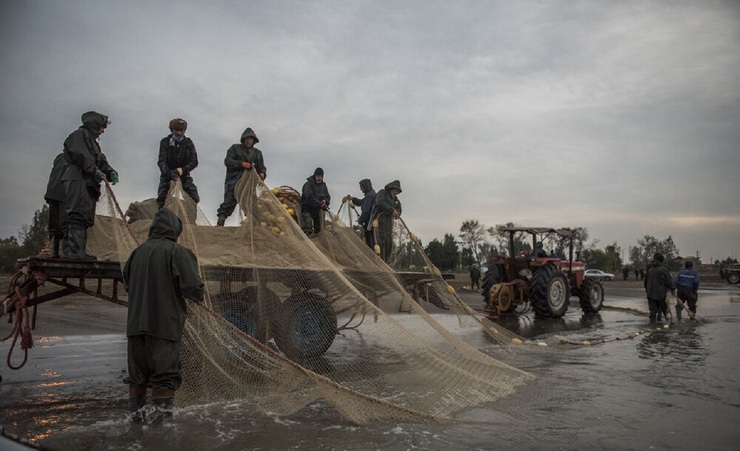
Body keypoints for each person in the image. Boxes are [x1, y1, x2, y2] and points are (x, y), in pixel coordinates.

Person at [123, 207, 204, 425]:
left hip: (135, 328)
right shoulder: (178, 252)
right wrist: (199, 295)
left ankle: (136, 425)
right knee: (164, 376)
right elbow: (192, 288)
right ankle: (161, 431)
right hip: (164, 326)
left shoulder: (136, 253)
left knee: (137, 377)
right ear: (175, 229)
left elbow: (127, 284)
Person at [61, 111, 118, 260]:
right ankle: (75, 252)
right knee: (77, 215)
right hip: (77, 179)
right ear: (95, 125)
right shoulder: (78, 135)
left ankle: (79, 251)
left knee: (85, 216)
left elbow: (99, 159)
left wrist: (109, 170)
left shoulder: (93, 143)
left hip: (87, 182)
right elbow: (82, 157)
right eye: (102, 127)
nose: (103, 131)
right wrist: (95, 171)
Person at [216, 127, 266, 226]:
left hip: (248, 184)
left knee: (251, 205)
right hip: (233, 181)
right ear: (243, 139)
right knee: (228, 202)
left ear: (254, 141)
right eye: (247, 139)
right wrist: (242, 164)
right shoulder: (234, 148)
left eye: (251, 139)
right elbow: (228, 161)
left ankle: (255, 226)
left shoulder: (257, 153)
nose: (249, 141)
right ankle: (220, 223)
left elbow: (261, 167)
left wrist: (262, 174)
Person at [156, 118, 199, 209]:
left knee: (194, 196)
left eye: (181, 130)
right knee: (162, 198)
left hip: (184, 175)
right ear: (172, 130)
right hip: (167, 175)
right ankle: (161, 219)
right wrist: (169, 173)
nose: (179, 133)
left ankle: (191, 220)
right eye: (176, 130)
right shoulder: (165, 142)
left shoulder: (188, 143)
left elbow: (194, 161)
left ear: (184, 131)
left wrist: (181, 170)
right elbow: (161, 161)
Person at [44, 153, 69, 258]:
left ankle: (54, 252)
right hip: (64, 192)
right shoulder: (75, 157)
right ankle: (67, 253)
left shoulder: (59, 157)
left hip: (52, 191)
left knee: (54, 224)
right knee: (66, 224)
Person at [371, 180, 402, 262]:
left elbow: (399, 208)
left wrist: (397, 212)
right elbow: (379, 202)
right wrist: (391, 210)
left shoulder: (396, 200)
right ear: (391, 188)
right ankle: (377, 262)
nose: (396, 193)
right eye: (395, 191)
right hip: (378, 223)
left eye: (398, 192)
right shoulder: (382, 193)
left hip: (389, 225)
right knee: (379, 242)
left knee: (389, 244)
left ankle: (385, 263)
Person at [343, 178, 376, 248]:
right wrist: (352, 198)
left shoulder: (369, 195)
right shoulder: (370, 194)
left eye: (361, 187)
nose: (361, 189)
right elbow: (361, 202)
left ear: (365, 186)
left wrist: (361, 220)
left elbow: (366, 211)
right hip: (371, 223)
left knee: (370, 243)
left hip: (369, 224)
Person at [643, 253, 676, 323]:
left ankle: (652, 325)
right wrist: (673, 288)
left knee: (653, 311)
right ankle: (669, 324)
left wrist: (647, 290)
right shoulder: (663, 270)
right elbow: (669, 281)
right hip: (661, 294)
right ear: (662, 260)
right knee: (665, 309)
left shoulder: (650, 270)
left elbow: (645, 282)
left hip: (650, 293)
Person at [300, 167, 331, 236]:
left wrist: (325, 201)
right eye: (317, 176)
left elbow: (327, 196)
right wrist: (319, 203)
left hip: (317, 210)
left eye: (321, 176)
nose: (319, 178)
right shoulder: (308, 184)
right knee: (308, 226)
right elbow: (309, 196)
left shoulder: (323, 186)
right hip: (307, 208)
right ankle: (307, 241)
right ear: (315, 176)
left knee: (318, 229)